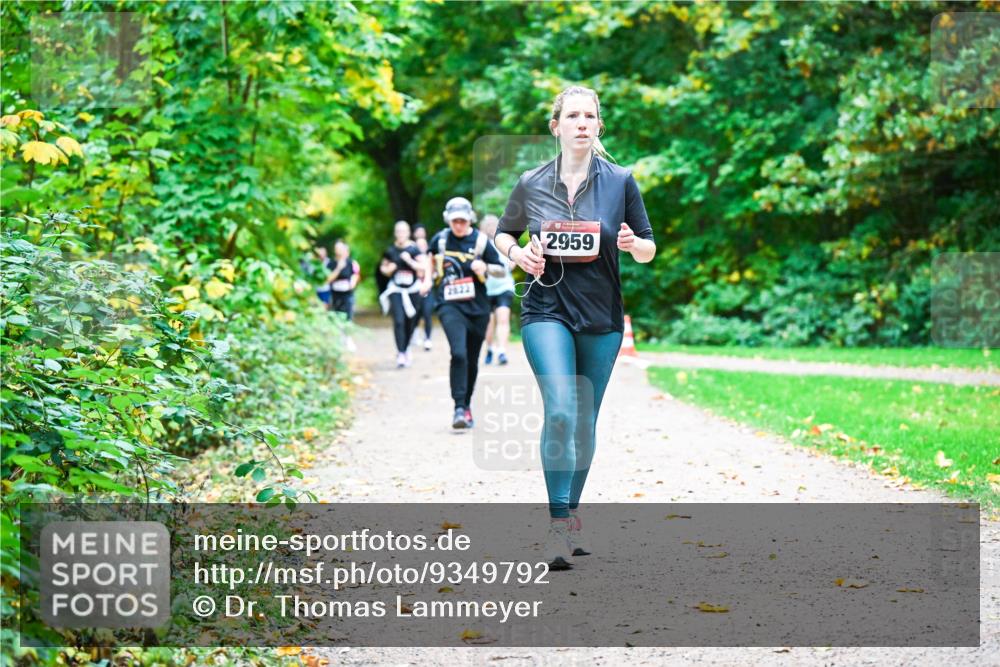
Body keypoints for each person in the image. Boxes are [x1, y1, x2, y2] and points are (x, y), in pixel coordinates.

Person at [492, 85, 656, 570]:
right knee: (562, 409)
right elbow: (503, 232)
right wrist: (518, 253)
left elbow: (649, 248)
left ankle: (573, 511)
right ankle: (558, 524)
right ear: (556, 126)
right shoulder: (531, 182)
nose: (581, 123)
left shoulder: (620, 182)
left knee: (584, 420)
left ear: (599, 125)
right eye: (572, 116)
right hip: (546, 308)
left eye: (589, 116)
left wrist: (631, 244)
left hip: (601, 315)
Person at [420, 197, 504, 430]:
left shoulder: (480, 241)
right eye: (455, 221)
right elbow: (429, 258)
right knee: (458, 353)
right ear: (448, 220)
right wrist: (427, 280)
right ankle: (458, 407)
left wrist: (485, 267)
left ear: (470, 220)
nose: (458, 225)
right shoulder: (441, 239)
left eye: (463, 221)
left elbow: (501, 269)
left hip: (478, 308)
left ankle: (466, 405)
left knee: (471, 358)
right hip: (449, 304)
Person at [379, 221, 427, 368]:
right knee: (399, 321)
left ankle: (406, 348)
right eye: (398, 231)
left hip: (413, 290)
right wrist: (389, 269)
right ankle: (400, 352)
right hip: (396, 290)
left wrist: (410, 261)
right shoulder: (390, 250)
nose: (401, 234)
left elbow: (423, 267)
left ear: (408, 233)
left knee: (410, 321)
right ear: (395, 233)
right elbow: (383, 268)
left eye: (403, 231)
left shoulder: (414, 249)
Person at [479, 214, 515, 365]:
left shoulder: (505, 242)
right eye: (488, 225)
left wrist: (511, 262)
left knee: (503, 318)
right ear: (483, 228)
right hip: (485, 289)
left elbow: (513, 261)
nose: (491, 228)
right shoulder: (480, 244)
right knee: (489, 322)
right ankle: (489, 348)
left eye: (493, 225)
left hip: (504, 287)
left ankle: (502, 351)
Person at [412, 225, 435, 351]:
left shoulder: (431, 258)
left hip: (428, 289)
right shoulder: (411, 257)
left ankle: (428, 339)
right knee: (416, 313)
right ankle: (414, 334)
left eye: (423, 245)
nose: (421, 247)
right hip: (414, 289)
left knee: (427, 313)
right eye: (419, 245)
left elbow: (435, 272)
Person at [328, 239, 360, 321]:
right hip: (335, 294)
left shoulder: (351, 263)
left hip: (347, 293)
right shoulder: (331, 263)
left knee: (348, 316)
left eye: (340, 248)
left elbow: (356, 274)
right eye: (337, 248)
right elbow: (328, 279)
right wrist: (338, 268)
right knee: (336, 315)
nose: (338, 250)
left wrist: (352, 283)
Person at [304, 245, 334, 310]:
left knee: (325, 306)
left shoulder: (329, 262)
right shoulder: (313, 262)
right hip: (315, 289)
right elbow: (309, 273)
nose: (321, 255)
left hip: (325, 289)